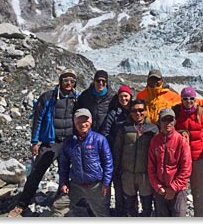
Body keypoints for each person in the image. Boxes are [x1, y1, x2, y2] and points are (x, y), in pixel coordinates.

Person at [8, 69, 79, 217]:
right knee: (37, 173)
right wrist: (35, 141)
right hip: (50, 142)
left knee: (65, 173)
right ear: (60, 81)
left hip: (68, 142)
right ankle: (22, 204)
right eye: (66, 80)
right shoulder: (48, 97)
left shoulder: (76, 99)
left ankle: (60, 200)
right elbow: (38, 119)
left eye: (72, 81)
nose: (68, 83)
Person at [58, 108, 113, 217]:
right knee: (58, 207)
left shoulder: (99, 139)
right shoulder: (69, 142)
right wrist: (63, 182)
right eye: (79, 121)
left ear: (90, 121)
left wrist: (106, 183)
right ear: (74, 122)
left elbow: (108, 163)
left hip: (96, 186)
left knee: (102, 214)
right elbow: (64, 164)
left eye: (85, 121)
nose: (82, 124)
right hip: (75, 185)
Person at [114, 99, 158, 217]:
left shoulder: (153, 129)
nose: (138, 113)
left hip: (146, 175)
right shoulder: (124, 128)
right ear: (130, 112)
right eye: (134, 110)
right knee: (129, 207)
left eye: (141, 110)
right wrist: (117, 170)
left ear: (146, 111)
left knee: (147, 207)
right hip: (128, 174)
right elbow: (118, 150)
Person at [148, 108, 192, 217]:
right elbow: (151, 167)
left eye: (170, 120)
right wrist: (158, 187)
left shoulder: (181, 141)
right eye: (165, 120)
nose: (168, 123)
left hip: (178, 190)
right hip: (160, 190)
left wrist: (173, 188)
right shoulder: (155, 141)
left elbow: (186, 168)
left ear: (174, 122)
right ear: (160, 122)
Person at [172, 87, 203, 217]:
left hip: (198, 158)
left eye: (191, 98)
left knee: (199, 192)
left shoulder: (201, 113)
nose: (189, 101)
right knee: (180, 190)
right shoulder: (176, 113)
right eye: (186, 98)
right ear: (181, 99)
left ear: (195, 99)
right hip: (181, 159)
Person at [100, 85, 134, 216]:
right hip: (117, 153)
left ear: (130, 97)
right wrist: (111, 146)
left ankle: (131, 211)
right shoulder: (114, 113)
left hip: (131, 152)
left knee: (130, 184)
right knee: (118, 182)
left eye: (126, 96)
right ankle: (120, 211)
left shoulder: (135, 111)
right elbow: (105, 132)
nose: (124, 98)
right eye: (121, 96)